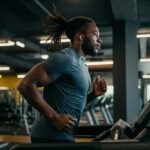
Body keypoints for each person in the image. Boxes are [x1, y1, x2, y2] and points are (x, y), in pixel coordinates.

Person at [17, 7, 107, 143]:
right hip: (48, 138)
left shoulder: (82, 65)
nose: (99, 40)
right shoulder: (65, 59)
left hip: (66, 137)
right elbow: (25, 85)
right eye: (95, 34)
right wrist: (54, 117)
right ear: (80, 36)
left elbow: (73, 104)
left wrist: (93, 94)